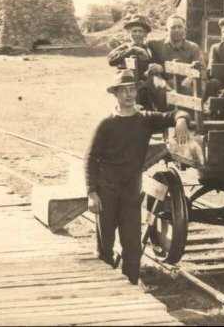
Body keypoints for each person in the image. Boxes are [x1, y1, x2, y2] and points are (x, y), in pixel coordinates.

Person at [84, 69, 190, 285]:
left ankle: (130, 282)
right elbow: (90, 158)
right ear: (115, 94)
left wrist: (180, 121)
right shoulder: (106, 124)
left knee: (132, 244)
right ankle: (105, 287)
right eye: (124, 91)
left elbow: (177, 113)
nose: (129, 95)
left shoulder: (145, 120)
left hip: (131, 191)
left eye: (132, 90)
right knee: (105, 244)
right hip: (106, 191)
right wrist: (92, 193)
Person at [146, 14, 205, 110]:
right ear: (166, 30)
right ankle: (164, 115)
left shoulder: (193, 47)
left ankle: (189, 115)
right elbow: (142, 45)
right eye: (173, 27)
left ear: (185, 30)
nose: (177, 30)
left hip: (187, 85)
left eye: (180, 27)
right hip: (167, 86)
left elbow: (201, 68)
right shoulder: (155, 45)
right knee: (153, 80)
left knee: (195, 86)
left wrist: (190, 77)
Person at [107, 14, 154, 109]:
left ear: (145, 34)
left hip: (145, 91)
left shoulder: (150, 50)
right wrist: (133, 49)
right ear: (129, 33)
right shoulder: (124, 48)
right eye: (134, 31)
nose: (137, 34)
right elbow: (111, 60)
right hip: (126, 91)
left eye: (140, 31)